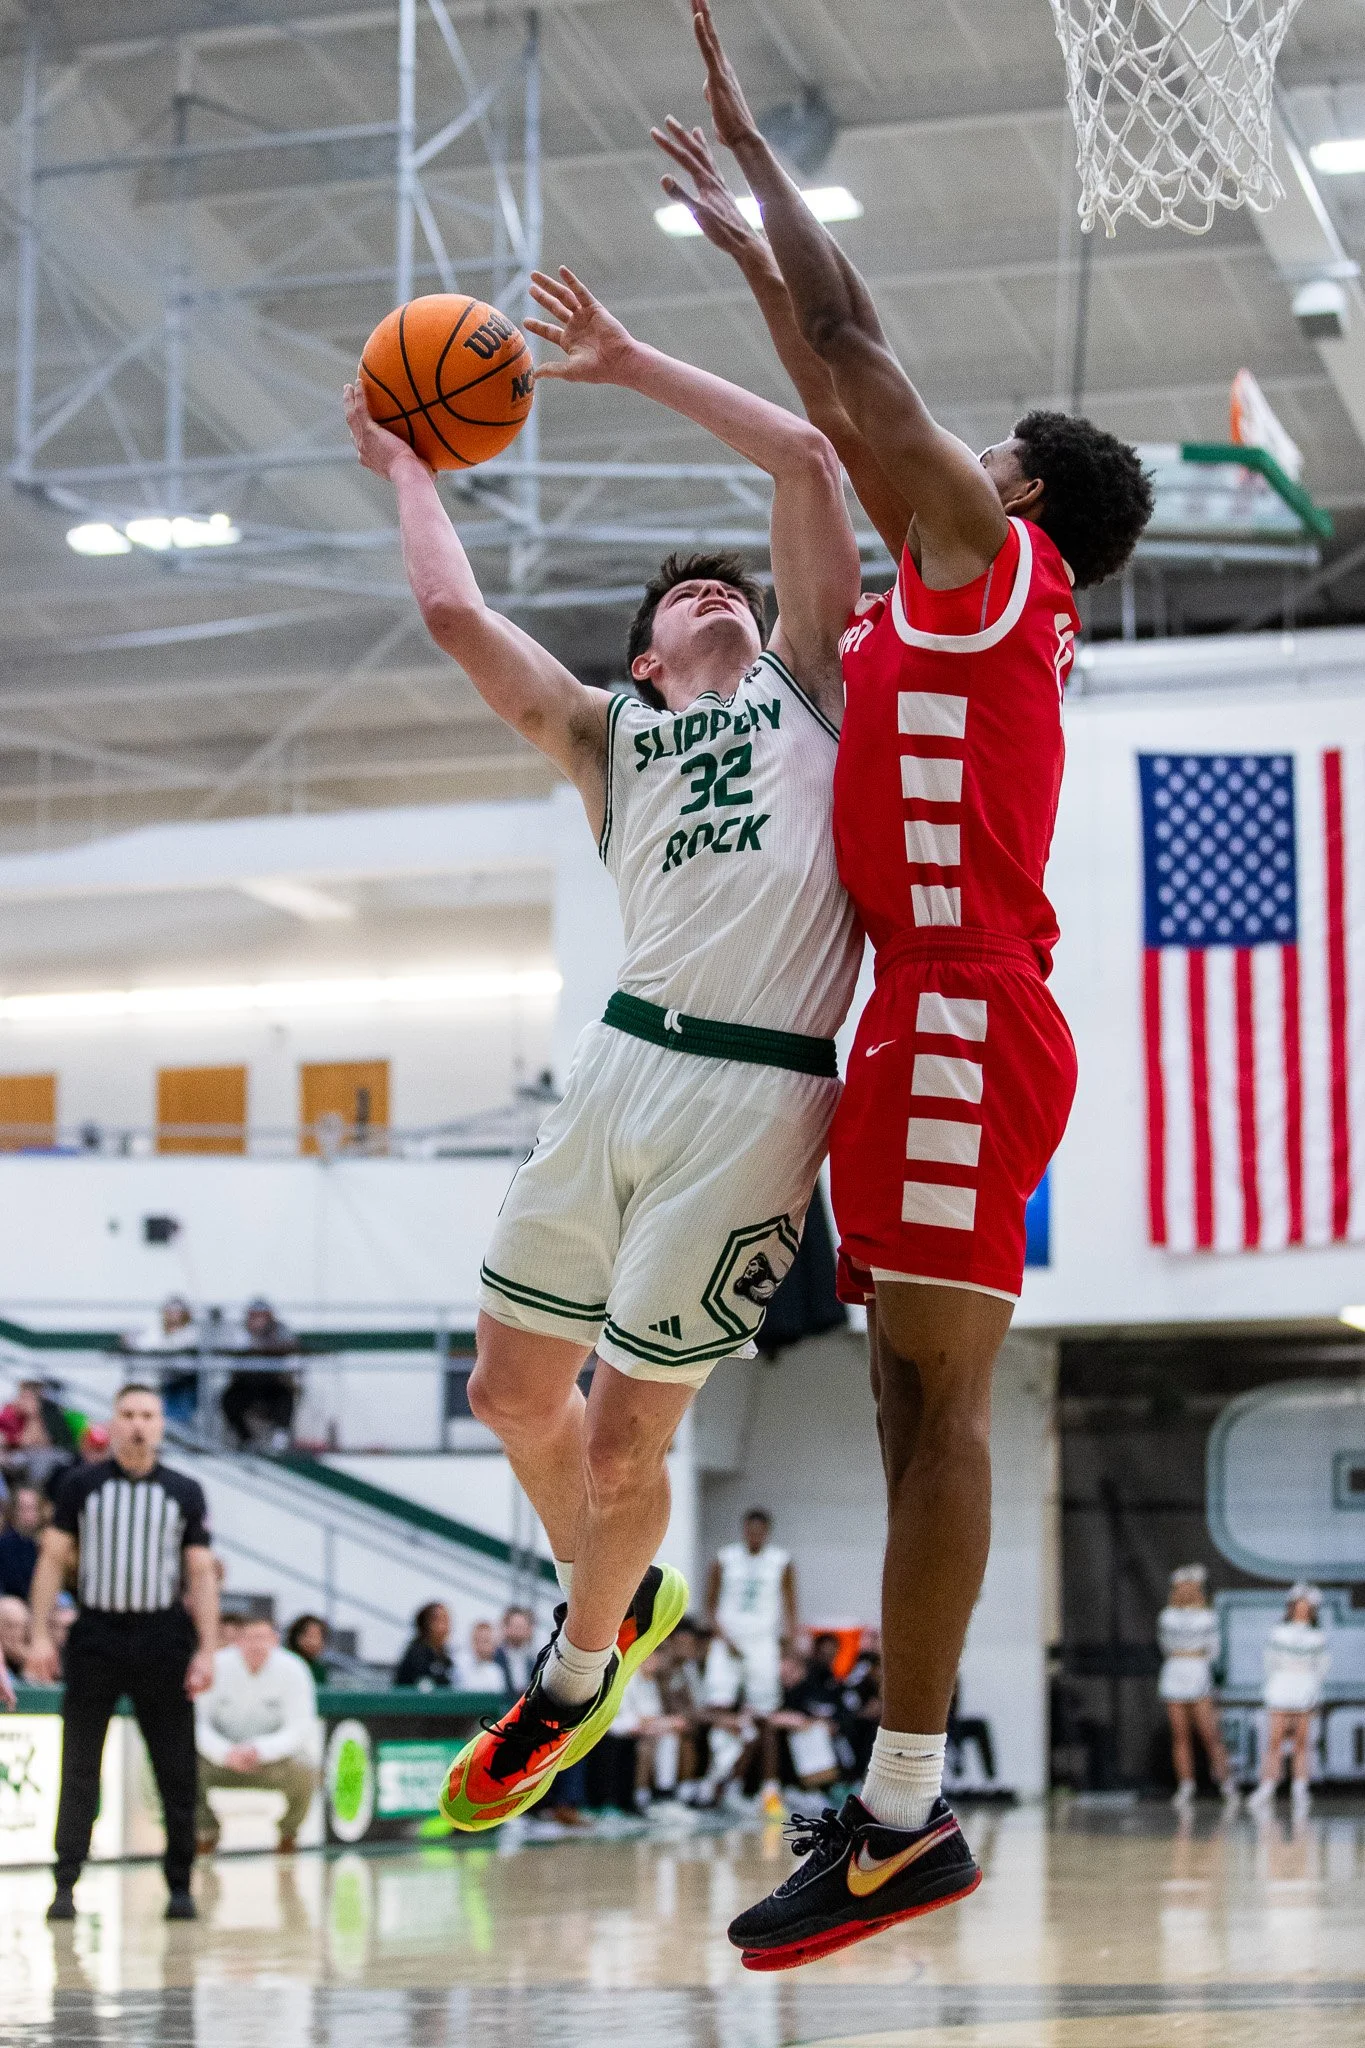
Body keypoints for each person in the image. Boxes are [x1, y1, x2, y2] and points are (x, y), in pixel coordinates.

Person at [671, 0, 1155, 1968]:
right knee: (892, 1401)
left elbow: (862, 367)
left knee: (939, 1402)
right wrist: (758, 273)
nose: (944, 448)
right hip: (916, 1013)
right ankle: (896, 1806)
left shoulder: (982, 571)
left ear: (1013, 495)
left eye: (981, 449)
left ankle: (900, 1810)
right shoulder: (944, 578)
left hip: (961, 1005)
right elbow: (840, 374)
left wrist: (767, 182)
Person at [345, 246, 861, 1832]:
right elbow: (449, 609)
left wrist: (630, 361)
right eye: (678, 597)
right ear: (643, 658)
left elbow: (809, 455)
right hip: (621, 1066)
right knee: (511, 1394)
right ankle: (621, 1597)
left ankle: (572, 1677)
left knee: (632, 1432)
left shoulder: (813, 688)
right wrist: (402, 463)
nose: (713, 592)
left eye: (730, 587)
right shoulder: (606, 734)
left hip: (757, 1099)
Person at [25, 1384, 218, 1922]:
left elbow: (200, 1574)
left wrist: (206, 1648)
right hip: (97, 1636)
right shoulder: (79, 1485)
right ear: (113, 1421)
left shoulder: (185, 1490)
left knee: (175, 1767)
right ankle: (65, 1884)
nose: (138, 1424)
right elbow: (51, 1560)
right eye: (128, 1414)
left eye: (148, 1415)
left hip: (163, 1638)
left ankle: (179, 1885)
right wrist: (40, 1634)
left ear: (160, 1425)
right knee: (79, 1765)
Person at [195, 1616, 319, 1854]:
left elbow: (300, 1727)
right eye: (250, 1638)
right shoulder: (214, 1665)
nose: (256, 1645)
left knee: (307, 1768)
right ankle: (205, 1831)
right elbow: (197, 1724)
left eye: (263, 1638)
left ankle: (288, 1833)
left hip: (271, 1763)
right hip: (219, 1761)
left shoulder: (294, 1669)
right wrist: (225, 1753)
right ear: (237, 1641)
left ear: (275, 1640)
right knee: (178, 1765)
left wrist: (259, 1750)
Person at [704, 1508, 797, 1815]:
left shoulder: (781, 1562)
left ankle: (769, 1790)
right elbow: (709, 1604)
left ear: (767, 1532)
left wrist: (790, 1649)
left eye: (760, 1531)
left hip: (762, 1643)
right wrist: (723, 1636)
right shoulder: (724, 1558)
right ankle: (715, 1782)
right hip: (728, 1640)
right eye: (750, 1530)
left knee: (766, 1717)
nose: (754, 1536)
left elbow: (790, 1609)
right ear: (744, 1529)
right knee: (719, 1710)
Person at [1157, 1565, 1236, 1808]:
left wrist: (1200, 1662)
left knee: (1210, 1733)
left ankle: (1226, 1784)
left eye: (1192, 1587)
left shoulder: (1208, 1617)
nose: (1187, 1591)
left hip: (1198, 1672)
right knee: (1180, 1734)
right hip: (1174, 1672)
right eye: (1182, 1587)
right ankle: (1186, 1784)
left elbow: (1215, 1651)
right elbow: (1164, 1645)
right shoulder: (1166, 1616)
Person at [1249, 1585, 1331, 1817]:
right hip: (1281, 1687)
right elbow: (1270, 1662)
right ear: (1291, 1608)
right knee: (1274, 1739)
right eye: (1298, 1606)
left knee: (1302, 1741)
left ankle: (1300, 1787)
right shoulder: (1278, 1632)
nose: (1302, 1611)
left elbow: (1321, 1668)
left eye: (1307, 1608)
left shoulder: (1317, 1637)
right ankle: (1267, 1786)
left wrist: (1311, 1688)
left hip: (1305, 1688)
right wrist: (1279, 1680)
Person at [220, 1300, 300, 1449]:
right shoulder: (240, 1332)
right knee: (229, 1399)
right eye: (254, 1316)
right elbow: (233, 1356)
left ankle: (280, 1438)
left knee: (285, 1397)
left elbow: (290, 1351)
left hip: (272, 1382)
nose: (257, 1320)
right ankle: (246, 1440)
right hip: (246, 1383)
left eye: (261, 1316)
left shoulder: (280, 1331)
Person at [120, 1296, 200, 1431]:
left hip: (180, 1385)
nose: (172, 1316)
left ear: (186, 1315)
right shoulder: (156, 1333)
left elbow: (184, 1366)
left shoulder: (192, 1334)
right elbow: (143, 1345)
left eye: (176, 1312)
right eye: (169, 1312)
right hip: (157, 1385)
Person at [393, 1602, 456, 1690]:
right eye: (442, 1620)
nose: (447, 1626)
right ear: (427, 1624)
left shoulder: (445, 1656)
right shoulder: (417, 1654)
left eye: (447, 1620)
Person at [0, 1483, 42, 1598]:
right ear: (14, 1511)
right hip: (14, 1602)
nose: (29, 1515)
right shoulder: (5, 1545)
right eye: (24, 1509)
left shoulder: (45, 1542)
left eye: (34, 1508)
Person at [285, 1614, 331, 1686]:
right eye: (311, 1636)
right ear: (297, 1637)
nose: (315, 1642)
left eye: (319, 1637)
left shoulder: (319, 1670)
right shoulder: (286, 1663)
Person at [467, 1620, 509, 1694]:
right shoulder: (462, 1669)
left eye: (485, 1641)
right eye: (477, 1640)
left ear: (494, 1645)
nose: (481, 1645)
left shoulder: (496, 1672)